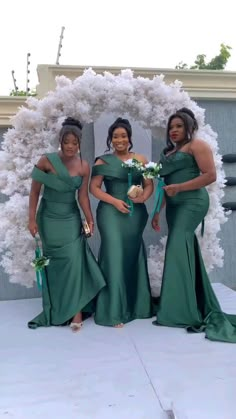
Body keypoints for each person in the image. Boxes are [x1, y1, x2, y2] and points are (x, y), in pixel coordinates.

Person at [152, 107, 236, 343]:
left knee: (177, 245)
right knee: (183, 247)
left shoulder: (197, 146)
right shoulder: (168, 152)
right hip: (173, 205)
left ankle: (179, 309)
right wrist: (158, 211)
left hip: (192, 202)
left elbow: (210, 175)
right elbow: (163, 184)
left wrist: (180, 188)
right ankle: (191, 300)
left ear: (190, 128)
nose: (174, 131)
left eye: (179, 126)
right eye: (171, 127)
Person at [28, 117, 105, 331]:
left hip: (70, 217)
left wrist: (89, 219)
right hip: (48, 218)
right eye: (66, 141)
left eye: (75, 142)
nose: (70, 146)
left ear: (79, 143)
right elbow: (34, 192)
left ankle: (76, 311)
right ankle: (59, 306)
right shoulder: (46, 160)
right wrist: (31, 219)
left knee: (74, 262)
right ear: (60, 141)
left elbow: (83, 197)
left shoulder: (83, 166)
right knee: (56, 265)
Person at [90, 117, 154, 327]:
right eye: (115, 136)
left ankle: (137, 306)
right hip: (110, 212)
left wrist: (143, 197)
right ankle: (113, 311)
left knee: (130, 254)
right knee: (114, 254)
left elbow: (149, 185)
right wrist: (115, 201)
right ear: (110, 139)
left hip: (135, 214)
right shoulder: (103, 161)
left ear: (129, 138)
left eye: (123, 136)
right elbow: (95, 188)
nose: (120, 139)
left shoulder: (141, 160)